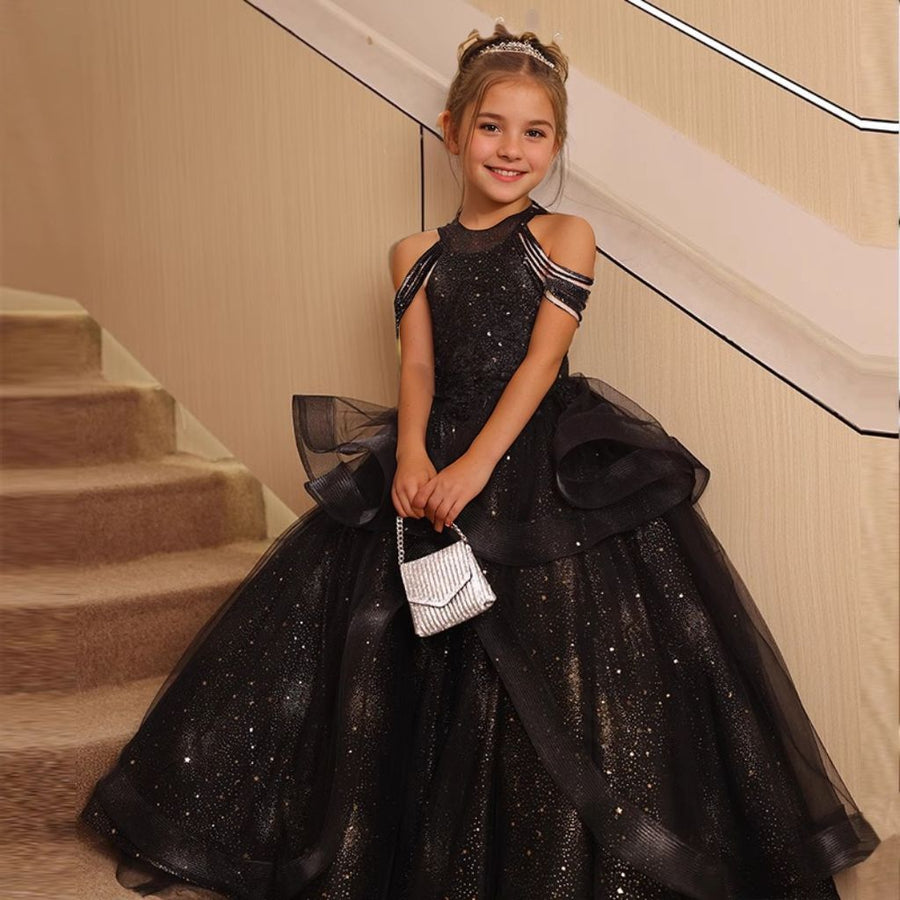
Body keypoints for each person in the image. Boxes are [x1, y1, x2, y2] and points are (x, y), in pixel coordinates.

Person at [80, 22, 880, 900]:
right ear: (452, 129)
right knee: (391, 643)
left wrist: (475, 469)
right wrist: (412, 456)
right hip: (434, 446)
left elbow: (540, 364)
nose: (510, 149)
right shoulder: (414, 254)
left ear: (556, 145)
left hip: (537, 457)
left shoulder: (565, 236)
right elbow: (418, 368)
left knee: (556, 666)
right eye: (492, 126)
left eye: (535, 133)